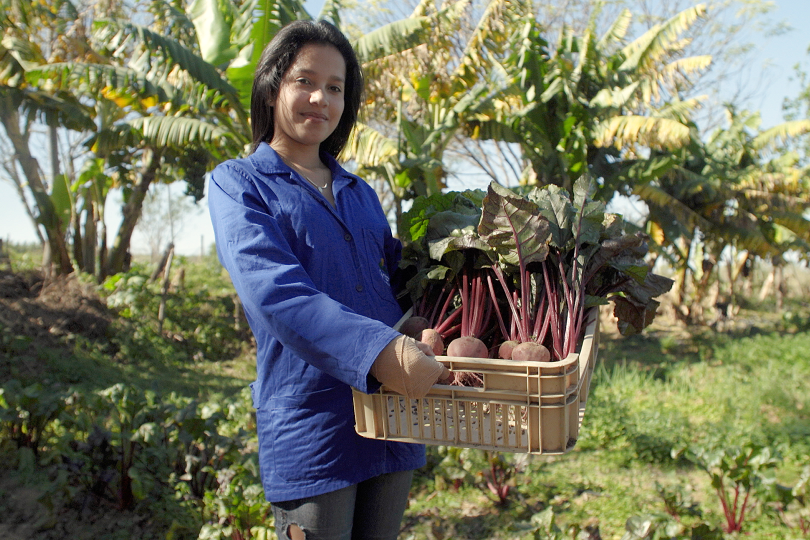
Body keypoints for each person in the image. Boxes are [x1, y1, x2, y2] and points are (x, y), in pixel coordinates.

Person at [208, 20, 451, 540]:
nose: (320, 98)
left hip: (393, 416)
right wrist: (382, 353)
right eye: (304, 81)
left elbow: (401, 281)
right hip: (315, 425)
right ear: (273, 87)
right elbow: (275, 293)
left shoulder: (359, 191)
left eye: (336, 88)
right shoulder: (238, 183)